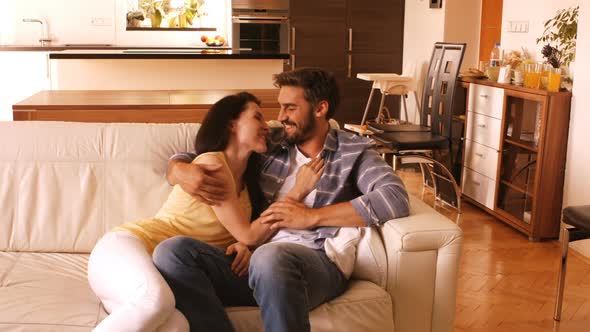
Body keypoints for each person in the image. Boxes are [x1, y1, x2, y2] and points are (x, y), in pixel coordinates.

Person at [155, 68, 411, 332]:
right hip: (253, 259)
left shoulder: (353, 152)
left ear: (320, 108)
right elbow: (205, 150)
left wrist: (311, 217)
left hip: (316, 263)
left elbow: (393, 198)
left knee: (271, 257)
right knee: (173, 252)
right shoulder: (273, 144)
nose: (279, 118)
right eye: (280, 108)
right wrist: (178, 170)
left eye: (290, 108)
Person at [87, 92, 324, 332]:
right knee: (156, 300)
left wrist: (247, 246)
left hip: (165, 273)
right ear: (232, 124)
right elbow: (248, 233)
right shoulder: (212, 165)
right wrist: (297, 192)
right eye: (257, 118)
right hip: (128, 248)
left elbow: (248, 236)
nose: (266, 126)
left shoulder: (247, 184)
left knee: (178, 325)